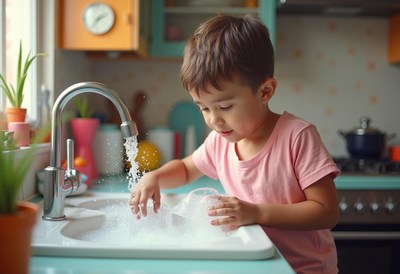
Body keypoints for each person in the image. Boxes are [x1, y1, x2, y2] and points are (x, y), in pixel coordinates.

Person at [129, 14, 340, 274]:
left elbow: (326, 212)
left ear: (265, 91)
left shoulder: (297, 137)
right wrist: (155, 178)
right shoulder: (220, 141)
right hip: (255, 264)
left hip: (303, 269)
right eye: (204, 108)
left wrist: (256, 213)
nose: (214, 120)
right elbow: (185, 169)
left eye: (225, 106)